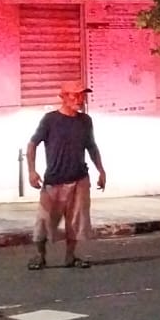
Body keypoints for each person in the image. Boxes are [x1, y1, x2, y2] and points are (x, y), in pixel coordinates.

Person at [25, 81, 107, 270]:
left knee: (76, 221)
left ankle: (70, 257)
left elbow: (91, 146)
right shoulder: (50, 120)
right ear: (63, 97)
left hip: (79, 179)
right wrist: (31, 170)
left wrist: (101, 170)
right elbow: (32, 144)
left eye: (82, 95)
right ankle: (40, 256)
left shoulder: (85, 121)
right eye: (74, 95)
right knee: (44, 221)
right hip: (54, 180)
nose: (79, 99)